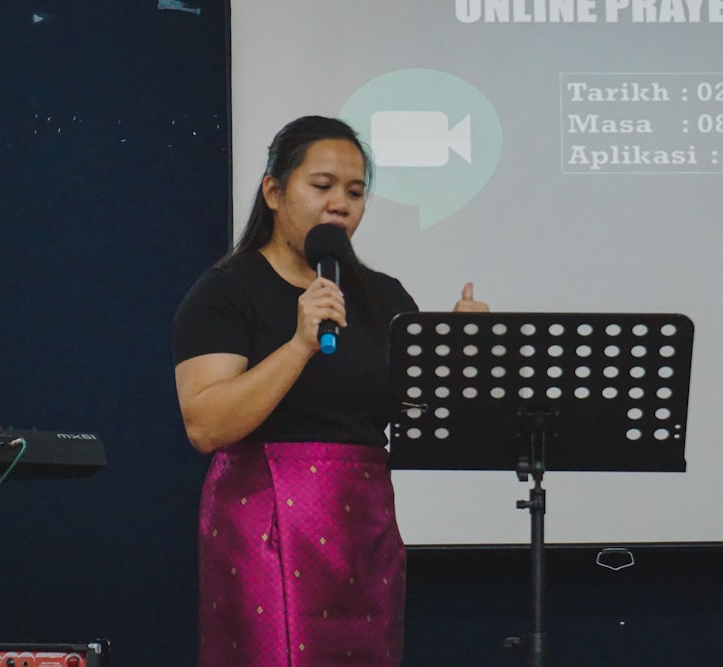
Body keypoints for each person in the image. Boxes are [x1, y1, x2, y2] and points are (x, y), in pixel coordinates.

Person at [172, 115, 488, 666]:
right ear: (273, 190)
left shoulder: (384, 296)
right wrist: (298, 345)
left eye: (356, 191)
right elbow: (206, 425)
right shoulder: (226, 291)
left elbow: (423, 419)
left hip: (363, 526)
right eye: (321, 187)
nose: (340, 203)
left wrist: (456, 356)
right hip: (266, 521)